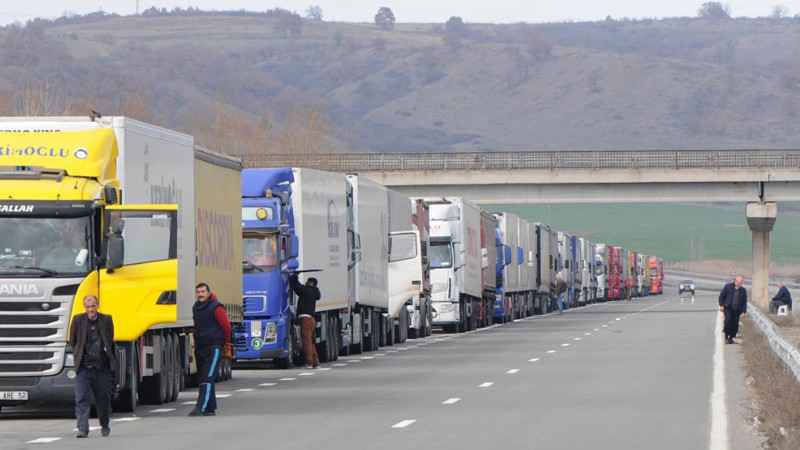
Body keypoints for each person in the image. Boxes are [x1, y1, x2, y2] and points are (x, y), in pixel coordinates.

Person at [69, 294, 115, 438]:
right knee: (81, 398)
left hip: (101, 367)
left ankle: (105, 425)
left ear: (97, 305)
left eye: (93, 306)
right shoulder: (77, 320)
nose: (91, 309)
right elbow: (73, 340)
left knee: (103, 399)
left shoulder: (106, 319)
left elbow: (110, 338)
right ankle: (83, 429)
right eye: (88, 307)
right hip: (83, 367)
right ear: (84, 307)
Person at [189, 283, 232, 417]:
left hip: (214, 348)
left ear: (209, 293)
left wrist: (223, 343)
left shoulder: (217, 307)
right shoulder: (196, 307)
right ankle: (210, 408)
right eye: (198, 292)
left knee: (207, 378)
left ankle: (200, 408)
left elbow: (226, 326)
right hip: (200, 347)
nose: (200, 294)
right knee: (203, 378)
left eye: (203, 291)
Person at [290, 273, 321, 368]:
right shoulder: (314, 292)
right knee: (310, 342)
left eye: (307, 281)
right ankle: (315, 362)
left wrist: (294, 277)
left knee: (306, 342)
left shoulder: (307, 291)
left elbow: (296, 286)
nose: (306, 283)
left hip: (306, 320)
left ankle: (309, 363)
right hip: (311, 319)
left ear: (311, 283)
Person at [718, 276, 747, 344]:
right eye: (739, 283)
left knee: (735, 324)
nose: (740, 285)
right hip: (728, 307)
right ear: (736, 281)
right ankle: (726, 337)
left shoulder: (743, 290)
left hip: (737, 309)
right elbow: (721, 296)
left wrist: (743, 311)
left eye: (741, 283)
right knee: (728, 321)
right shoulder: (728, 286)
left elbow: (744, 302)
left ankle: (731, 338)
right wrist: (721, 305)